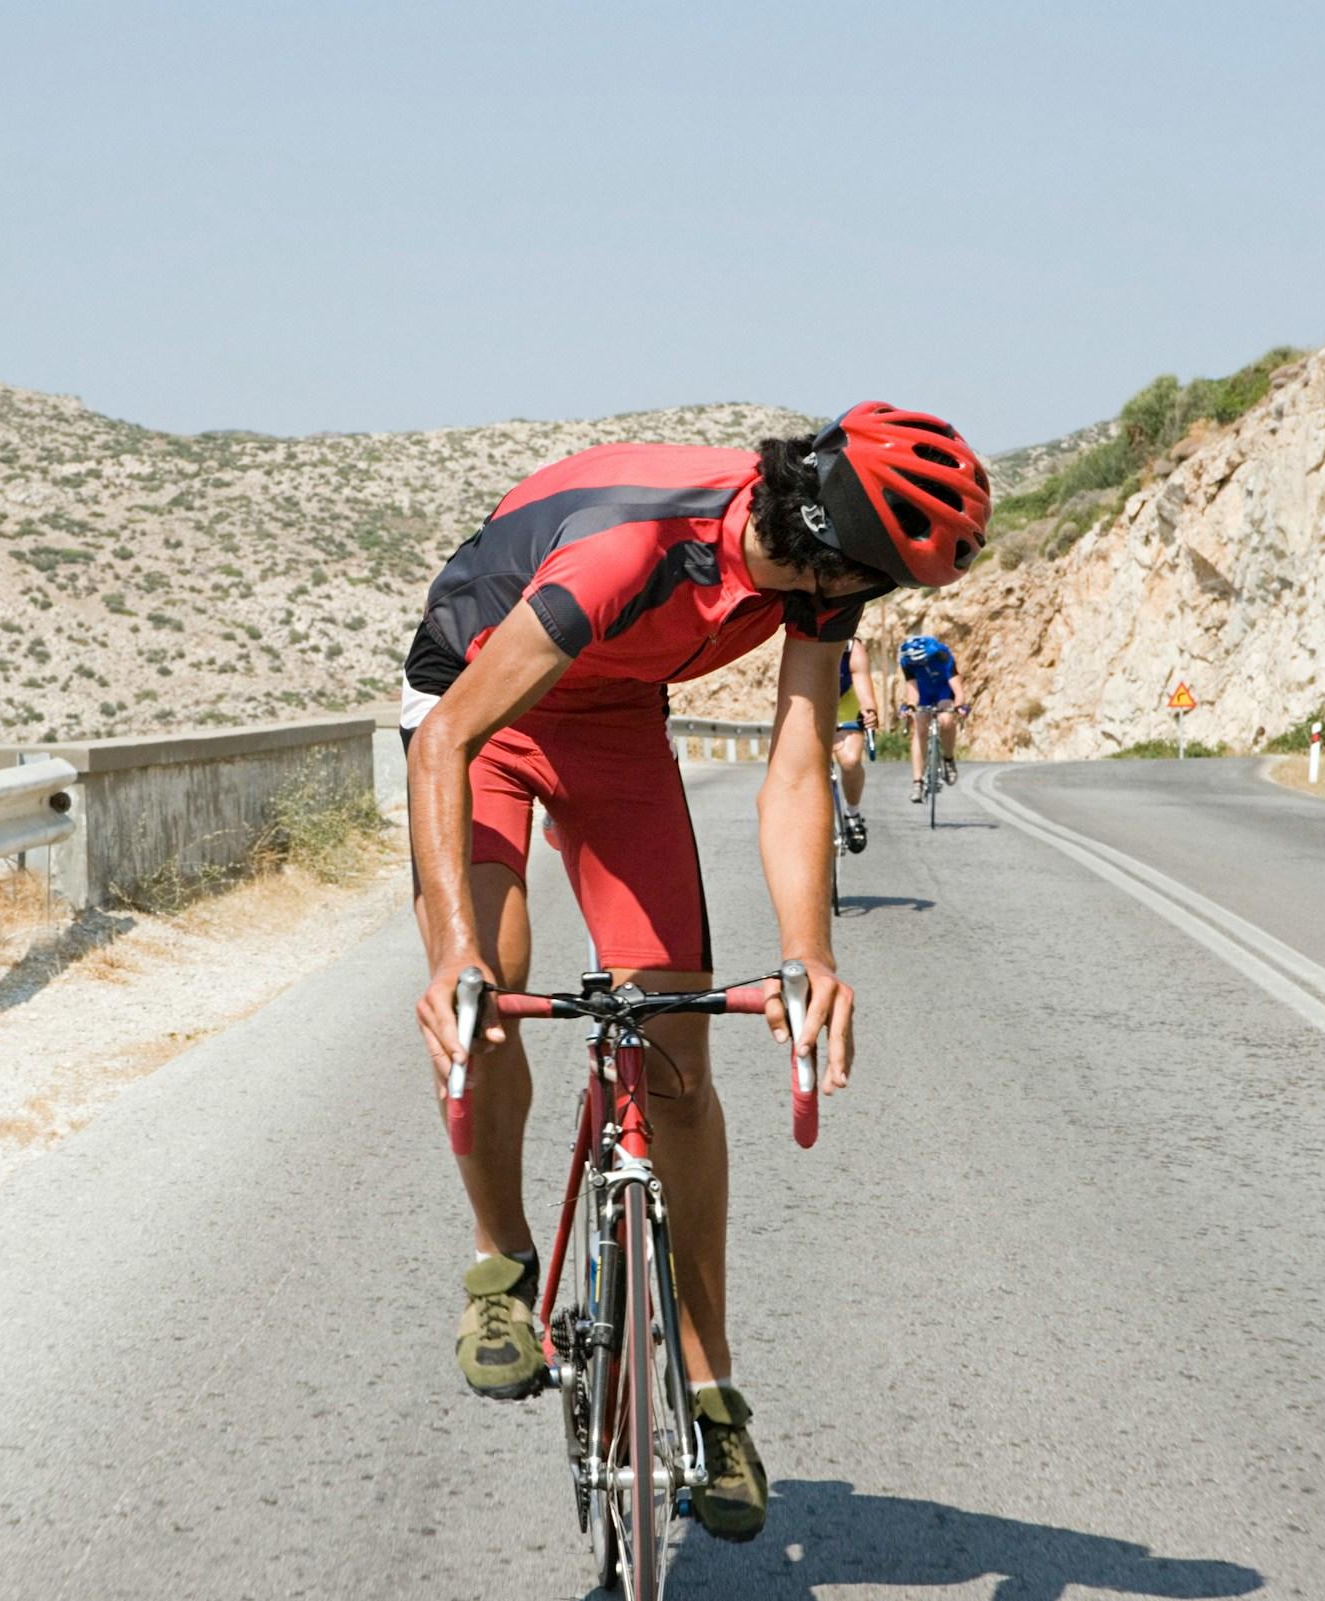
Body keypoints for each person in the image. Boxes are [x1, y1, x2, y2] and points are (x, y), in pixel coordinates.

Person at [403, 403, 990, 1542]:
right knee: (488, 991)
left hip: (615, 719)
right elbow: (446, 743)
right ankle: (500, 1265)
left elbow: (797, 769)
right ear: (829, 545)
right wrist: (453, 952)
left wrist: (810, 954)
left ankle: (712, 1394)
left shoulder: (819, 579)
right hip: (478, 702)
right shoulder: (631, 552)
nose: (867, 599)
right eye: (874, 579)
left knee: (676, 1053)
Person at [897, 634, 970, 800]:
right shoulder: (906, 661)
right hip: (923, 693)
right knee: (920, 727)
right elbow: (912, 690)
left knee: (946, 720)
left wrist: (958, 706)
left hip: (943, 691)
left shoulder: (943, 654)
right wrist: (910, 706)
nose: (916, 665)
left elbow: (957, 689)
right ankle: (917, 782)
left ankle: (948, 759)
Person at [833, 638, 879, 850]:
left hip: (845, 702)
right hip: (813, 700)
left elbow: (862, 684)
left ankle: (852, 813)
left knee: (850, 762)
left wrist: (869, 711)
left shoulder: (852, 647)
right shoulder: (800, 637)